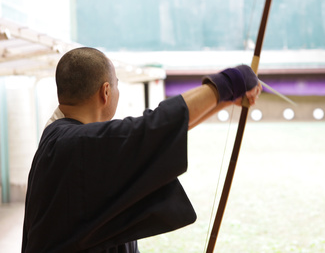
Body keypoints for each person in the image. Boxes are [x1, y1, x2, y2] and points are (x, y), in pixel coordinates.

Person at [21, 47, 261, 253]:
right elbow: (155, 128)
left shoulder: (60, 138)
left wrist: (226, 101)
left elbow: (160, 137)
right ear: (106, 92)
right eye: (116, 85)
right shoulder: (78, 145)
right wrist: (229, 82)